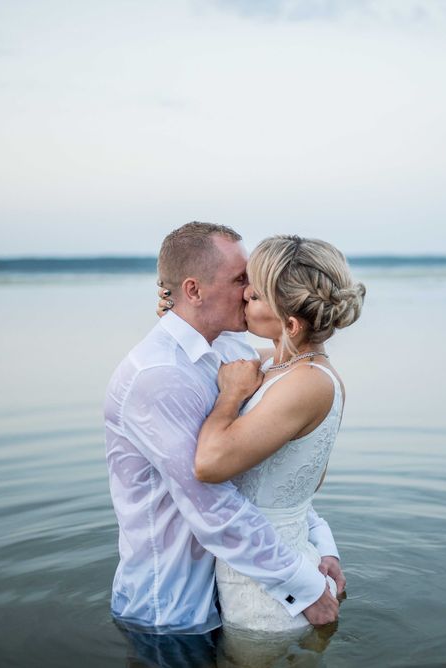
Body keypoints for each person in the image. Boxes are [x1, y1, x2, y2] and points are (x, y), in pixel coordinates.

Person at [103, 223, 342, 656]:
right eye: (240, 281)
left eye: (253, 283)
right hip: (172, 612)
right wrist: (306, 588)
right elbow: (213, 503)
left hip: (234, 592)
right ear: (194, 290)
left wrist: (321, 546)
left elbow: (269, 479)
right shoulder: (159, 377)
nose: (248, 292)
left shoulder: (233, 354)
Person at [188, 234, 366, 635]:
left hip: (269, 592)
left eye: (256, 294)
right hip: (263, 564)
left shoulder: (306, 384)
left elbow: (209, 464)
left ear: (289, 323)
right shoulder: (277, 366)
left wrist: (230, 396)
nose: (245, 294)